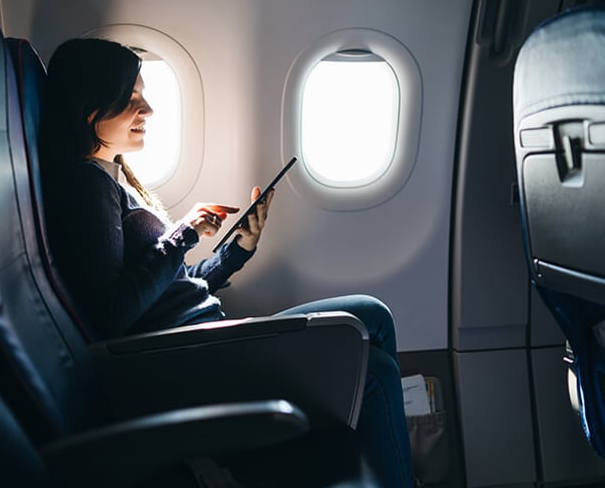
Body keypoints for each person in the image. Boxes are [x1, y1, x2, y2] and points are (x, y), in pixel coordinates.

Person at [39, 37, 414, 488]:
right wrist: (183, 235)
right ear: (90, 107)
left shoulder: (115, 177)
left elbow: (171, 287)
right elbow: (114, 313)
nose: (148, 110)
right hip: (185, 361)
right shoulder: (87, 185)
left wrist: (235, 252)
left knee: (373, 314)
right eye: (132, 98)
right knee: (372, 371)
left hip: (202, 342)